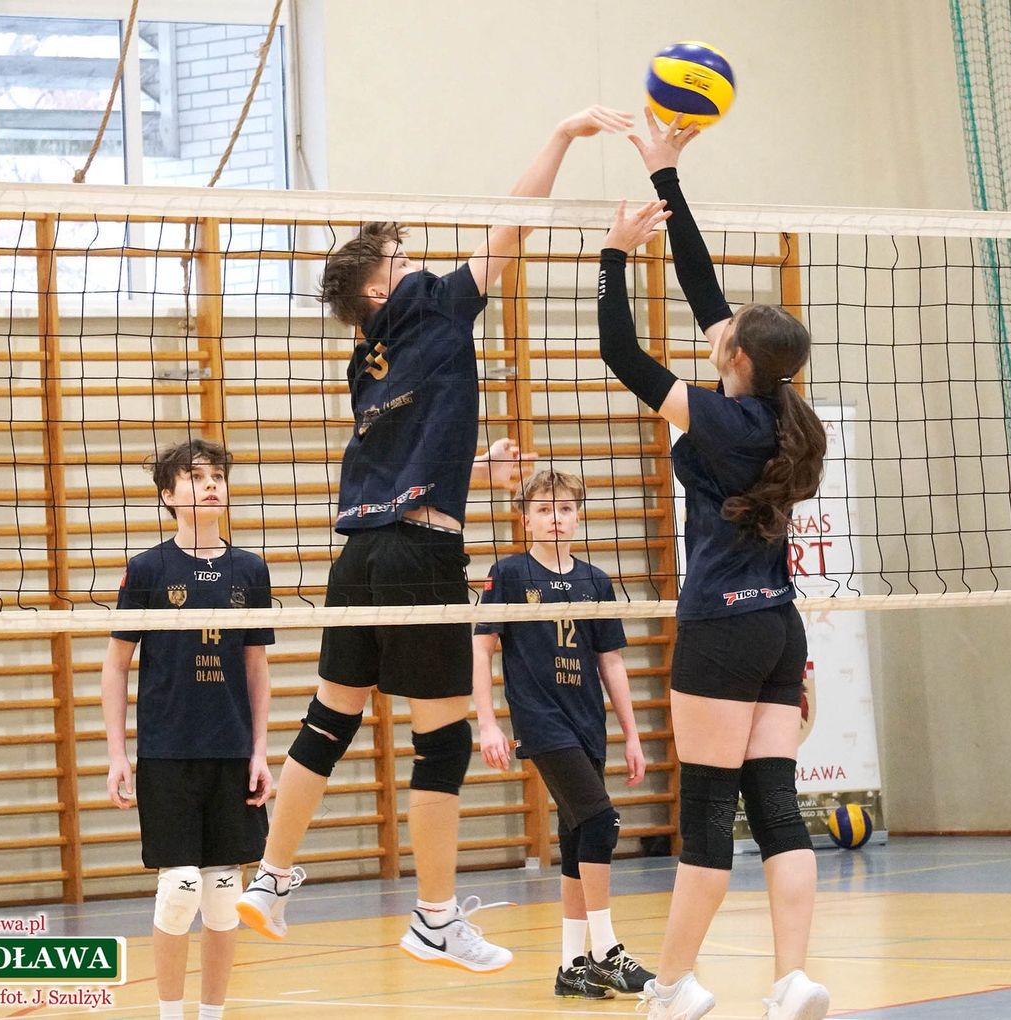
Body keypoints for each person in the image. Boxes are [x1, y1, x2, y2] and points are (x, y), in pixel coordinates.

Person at [235, 105, 634, 974]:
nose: (416, 265)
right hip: (420, 558)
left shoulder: (366, 360)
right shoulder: (435, 309)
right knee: (444, 742)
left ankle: (268, 878)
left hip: (360, 556)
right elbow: (513, 225)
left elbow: (405, 449)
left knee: (328, 721)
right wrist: (560, 136)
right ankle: (435, 919)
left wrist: (472, 468)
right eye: (401, 261)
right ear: (383, 291)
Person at [595, 109, 832, 1020]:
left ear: (735, 357)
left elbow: (621, 353)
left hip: (722, 631)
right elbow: (705, 289)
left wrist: (615, 255)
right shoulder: (784, 413)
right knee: (776, 809)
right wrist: (666, 178)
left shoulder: (722, 420)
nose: (715, 329)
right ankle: (792, 979)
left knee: (704, 814)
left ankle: (672, 987)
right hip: (777, 629)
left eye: (725, 334)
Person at [101, 439, 275, 1020]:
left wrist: (260, 751)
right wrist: (118, 755)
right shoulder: (148, 569)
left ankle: (212, 1015)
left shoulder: (250, 569)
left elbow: (256, 668)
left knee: (224, 895)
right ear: (168, 495)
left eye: (217, 475)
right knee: (178, 890)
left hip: (231, 752)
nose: (211, 484)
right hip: (167, 753)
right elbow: (115, 665)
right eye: (196, 476)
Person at [472, 469, 655, 999]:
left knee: (578, 838)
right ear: (525, 519)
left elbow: (611, 662)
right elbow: (482, 649)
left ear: (578, 516)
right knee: (601, 820)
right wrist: (488, 723)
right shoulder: (508, 573)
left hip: (587, 721)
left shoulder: (596, 580)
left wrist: (632, 735)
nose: (556, 518)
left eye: (566, 508)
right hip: (541, 720)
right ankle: (606, 951)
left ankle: (571, 965)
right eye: (544, 509)